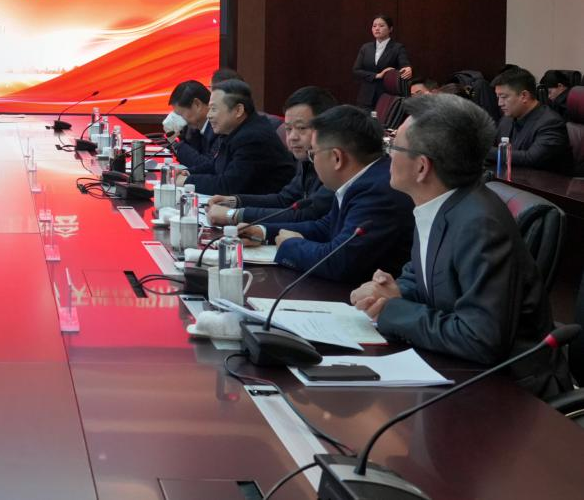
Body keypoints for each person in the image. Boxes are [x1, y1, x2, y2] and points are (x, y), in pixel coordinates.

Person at [350, 94, 569, 398]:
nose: (387, 156)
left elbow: (479, 338)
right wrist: (392, 290)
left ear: (422, 167)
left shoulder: (479, 224)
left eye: (393, 147)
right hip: (460, 369)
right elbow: (425, 275)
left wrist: (393, 310)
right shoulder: (438, 203)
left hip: (510, 391)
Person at [237, 105, 414, 284]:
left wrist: (290, 245)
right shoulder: (361, 180)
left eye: (313, 153)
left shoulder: (378, 192)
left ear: (337, 158)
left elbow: (339, 261)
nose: (312, 161)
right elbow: (325, 228)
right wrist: (263, 232)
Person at [208, 86, 338, 226]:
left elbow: (306, 215)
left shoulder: (333, 166)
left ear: (326, 128)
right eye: (288, 129)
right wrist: (234, 201)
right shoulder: (306, 159)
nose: (292, 137)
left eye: (301, 128)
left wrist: (234, 215)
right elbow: (284, 200)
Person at [178, 80, 294, 195]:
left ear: (238, 110)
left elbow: (228, 186)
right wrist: (187, 173)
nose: (209, 115)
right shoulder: (234, 130)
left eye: (214, 109)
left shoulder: (253, 138)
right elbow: (215, 165)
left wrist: (186, 181)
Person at [487, 67, 572, 174]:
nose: (500, 103)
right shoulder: (506, 119)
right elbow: (493, 148)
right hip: (510, 178)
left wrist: (483, 151)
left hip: (544, 182)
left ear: (524, 96)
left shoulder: (551, 123)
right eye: (498, 97)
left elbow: (531, 159)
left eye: (504, 97)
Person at [352, 13, 412, 109]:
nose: (377, 28)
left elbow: (404, 65)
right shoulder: (366, 47)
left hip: (386, 96)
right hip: (365, 96)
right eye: (374, 26)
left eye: (381, 26)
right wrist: (377, 75)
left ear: (390, 29)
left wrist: (407, 68)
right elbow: (356, 70)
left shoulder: (397, 47)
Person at [167, 81, 220, 172]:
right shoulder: (193, 127)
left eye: (181, 114)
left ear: (197, 104)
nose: (179, 120)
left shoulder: (219, 127)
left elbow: (207, 166)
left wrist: (175, 142)